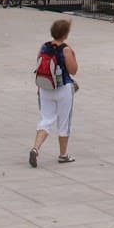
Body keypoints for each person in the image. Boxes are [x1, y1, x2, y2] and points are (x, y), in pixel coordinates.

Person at [30, 18, 79, 166]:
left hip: (45, 88)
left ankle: (35, 148)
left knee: (46, 119)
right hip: (63, 88)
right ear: (65, 34)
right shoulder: (66, 50)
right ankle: (63, 155)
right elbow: (73, 70)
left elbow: (39, 64)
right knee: (64, 122)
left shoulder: (44, 46)